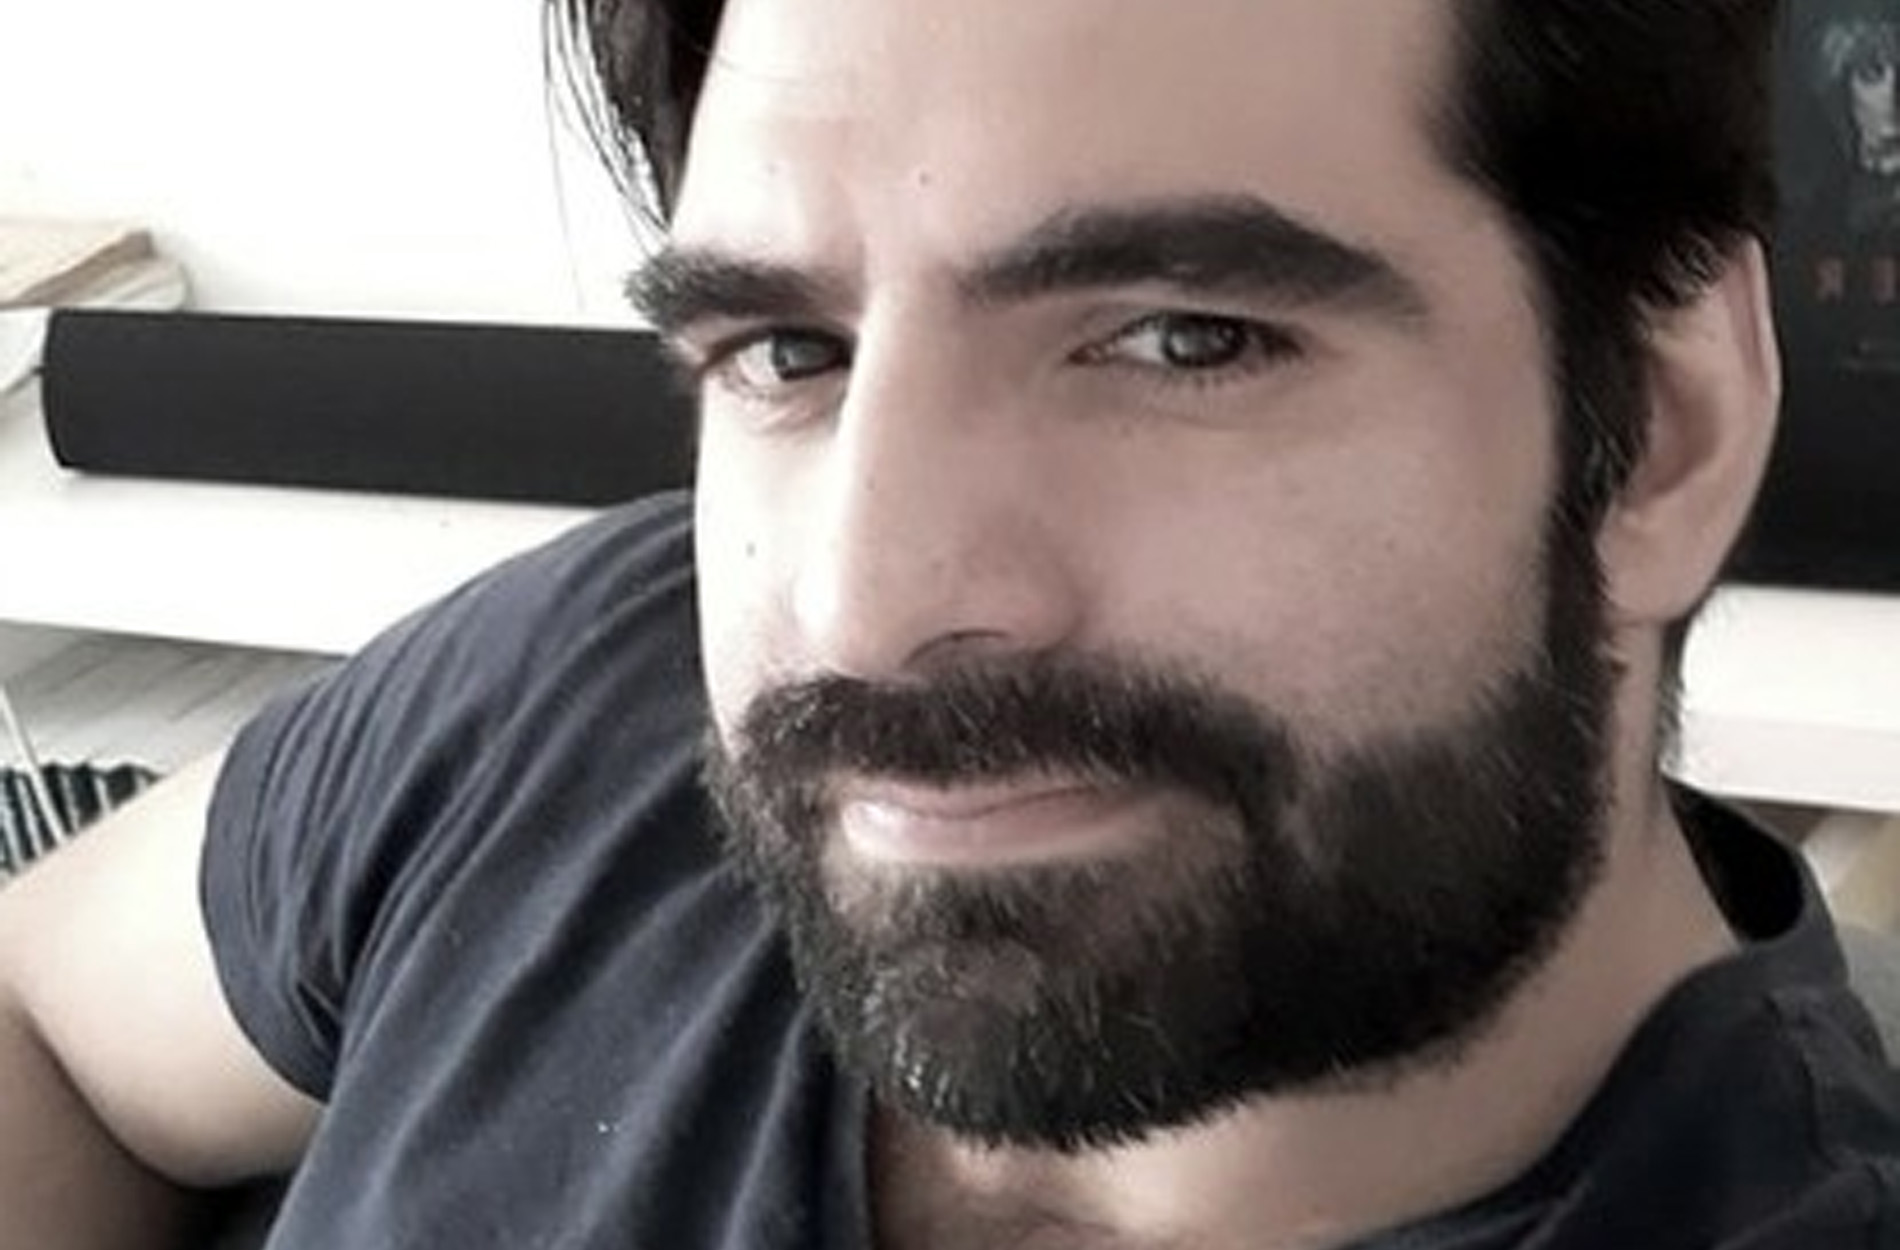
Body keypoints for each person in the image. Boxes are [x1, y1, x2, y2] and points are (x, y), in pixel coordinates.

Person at [3, 0, 1897, 1246]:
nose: (861, 602)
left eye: (1183, 339)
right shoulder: (580, 679)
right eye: (785, 348)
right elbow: (47, 1023)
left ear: (1661, 430)